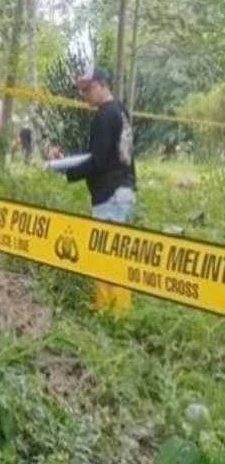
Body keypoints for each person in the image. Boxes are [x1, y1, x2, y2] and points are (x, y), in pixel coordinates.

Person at [66, 68, 136, 315]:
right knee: (116, 254)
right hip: (124, 190)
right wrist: (70, 159)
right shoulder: (120, 111)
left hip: (110, 194)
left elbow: (98, 161)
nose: (84, 95)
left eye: (87, 89)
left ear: (101, 85)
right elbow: (106, 154)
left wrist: (66, 169)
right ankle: (118, 312)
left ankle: (110, 313)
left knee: (106, 256)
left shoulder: (104, 116)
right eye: (81, 90)